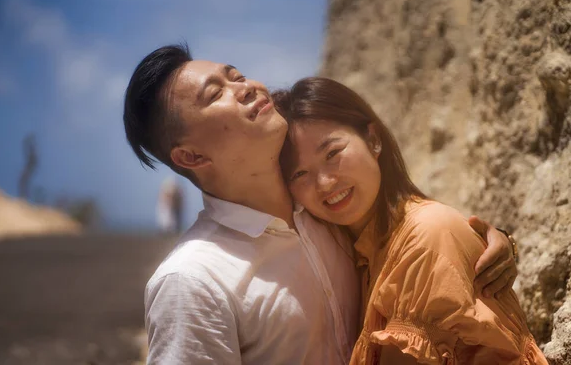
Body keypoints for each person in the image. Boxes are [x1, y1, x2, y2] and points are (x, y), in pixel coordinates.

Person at [123, 43, 517, 364]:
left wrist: (484, 240)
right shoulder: (193, 282)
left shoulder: (326, 212)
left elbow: (413, 238)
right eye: (215, 94)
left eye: (237, 76)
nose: (245, 87)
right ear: (190, 158)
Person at [274, 77, 546, 364]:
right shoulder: (353, 251)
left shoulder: (426, 235)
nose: (325, 182)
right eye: (299, 174)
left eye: (332, 153)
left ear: (373, 140)